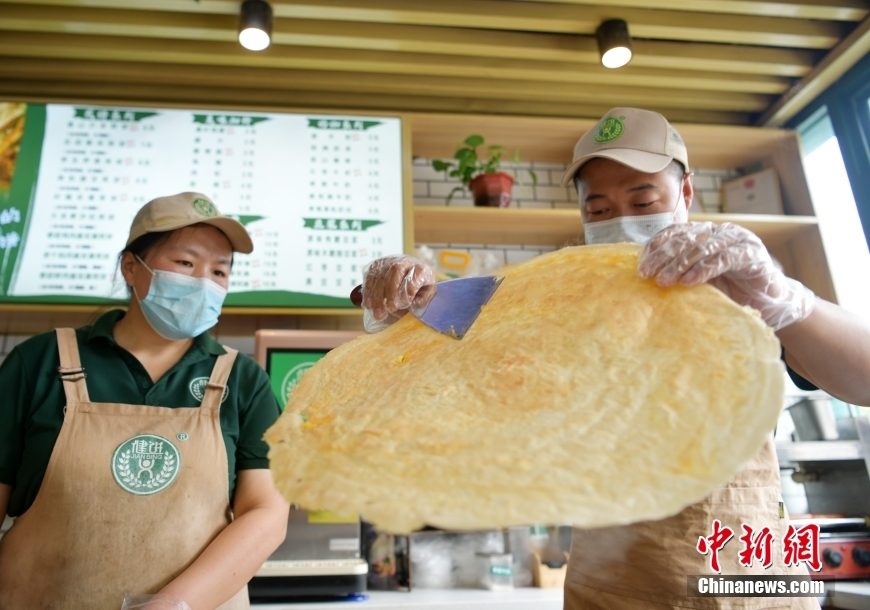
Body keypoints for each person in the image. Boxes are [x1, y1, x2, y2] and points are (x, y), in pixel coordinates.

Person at [360, 108, 870, 608]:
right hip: (608, 584)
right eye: (599, 211)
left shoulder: (739, 281)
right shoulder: (560, 303)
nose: (622, 221)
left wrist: (786, 300)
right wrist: (405, 305)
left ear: (685, 193)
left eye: (643, 201)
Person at [0, 192, 289, 610]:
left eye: (219, 271)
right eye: (185, 263)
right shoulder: (42, 360)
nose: (203, 282)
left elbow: (265, 513)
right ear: (131, 267)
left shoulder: (243, 380)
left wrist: (171, 605)